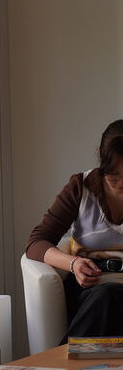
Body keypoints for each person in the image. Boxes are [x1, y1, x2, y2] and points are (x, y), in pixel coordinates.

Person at [26, 119, 123, 342]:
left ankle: (55, 368)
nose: (121, 183)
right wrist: (73, 263)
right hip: (89, 291)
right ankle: (60, 367)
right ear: (101, 157)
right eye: (113, 174)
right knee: (105, 297)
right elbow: (36, 243)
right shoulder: (80, 187)